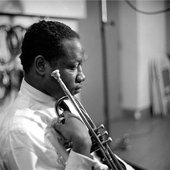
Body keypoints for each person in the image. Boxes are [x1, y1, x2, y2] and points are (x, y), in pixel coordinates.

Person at [0, 20, 135, 170]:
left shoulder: (60, 98)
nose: (82, 77)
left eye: (81, 65)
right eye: (73, 67)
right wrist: (82, 146)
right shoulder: (20, 133)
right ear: (41, 65)